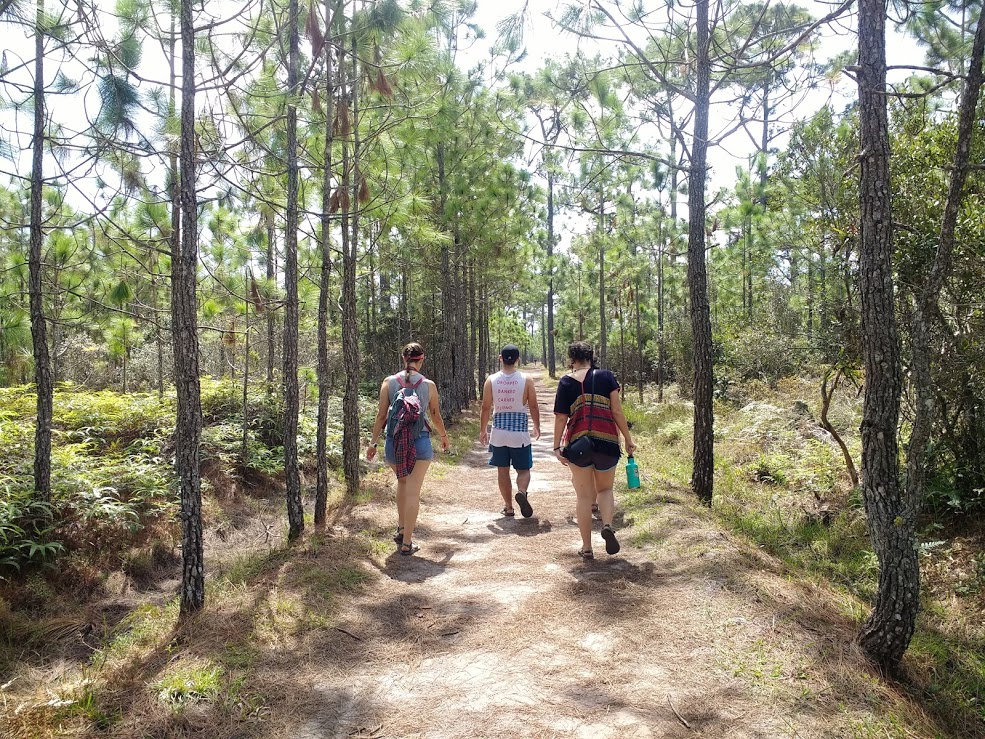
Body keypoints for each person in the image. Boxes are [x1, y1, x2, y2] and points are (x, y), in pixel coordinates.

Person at [552, 341, 636, 559]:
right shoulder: (607, 376)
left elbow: (561, 417)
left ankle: (587, 547)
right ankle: (607, 525)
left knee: (584, 496)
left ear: (572, 359)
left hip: (579, 445)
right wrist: (628, 438)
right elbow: (616, 411)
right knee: (605, 490)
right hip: (607, 442)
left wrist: (556, 446)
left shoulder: (566, 382)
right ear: (592, 356)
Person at [367, 342, 450, 555]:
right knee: (413, 491)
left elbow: (381, 416)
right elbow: (435, 415)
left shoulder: (388, 382)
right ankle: (407, 543)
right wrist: (443, 436)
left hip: (394, 443)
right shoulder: (428, 385)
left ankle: (401, 528)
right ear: (421, 360)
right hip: (419, 442)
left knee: (402, 483)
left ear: (404, 359)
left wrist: (373, 443)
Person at [478, 344, 541, 518]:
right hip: (519, 432)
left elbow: (485, 407)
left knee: (502, 470)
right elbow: (533, 405)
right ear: (517, 359)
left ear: (501, 359)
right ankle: (521, 491)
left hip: (499, 433)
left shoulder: (491, 380)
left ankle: (508, 507)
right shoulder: (526, 379)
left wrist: (483, 429)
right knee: (523, 470)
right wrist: (537, 425)